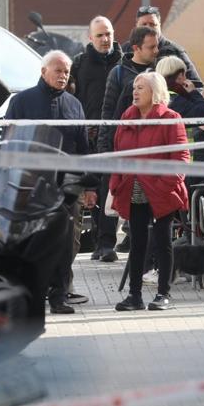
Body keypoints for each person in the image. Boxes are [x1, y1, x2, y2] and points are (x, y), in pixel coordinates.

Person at [5, 50, 99, 314]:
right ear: (43, 71)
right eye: (58, 70)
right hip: (32, 183)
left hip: (67, 185)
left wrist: (89, 186)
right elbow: (9, 142)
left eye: (67, 71)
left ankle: (59, 295)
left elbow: (83, 147)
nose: (64, 75)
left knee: (65, 242)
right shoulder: (22, 101)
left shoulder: (74, 104)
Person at [110, 72, 189, 313]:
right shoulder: (127, 117)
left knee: (163, 242)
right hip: (133, 189)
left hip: (163, 191)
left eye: (141, 88)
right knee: (137, 243)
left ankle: (163, 293)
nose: (135, 91)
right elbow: (117, 154)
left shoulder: (171, 118)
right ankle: (134, 295)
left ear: (154, 93)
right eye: (134, 87)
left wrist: (164, 187)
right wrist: (117, 183)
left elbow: (181, 159)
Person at [99, 26, 160, 254]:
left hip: (151, 147)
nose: (156, 51)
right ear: (136, 48)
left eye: (157, 46)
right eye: (151, 47)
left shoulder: (160, 71)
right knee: (112, 190)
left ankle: (138, 244)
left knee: (141, 200)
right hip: (123, 144)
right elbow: (108, 112)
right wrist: (105, 147)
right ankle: (105, 245)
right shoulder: (118, 73)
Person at [70, 16, 123, 261]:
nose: (105, 39)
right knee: (91, 189)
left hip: (117, 136)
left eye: (108, 34)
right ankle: (91, 243)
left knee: (110, 187)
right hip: (89, 136)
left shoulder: (124, 63)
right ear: (90, 38)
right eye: (100, 35)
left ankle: (107, 244)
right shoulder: (79, 65)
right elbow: (72, 98)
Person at [134, 5, 203, 89]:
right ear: (136, 25)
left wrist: (176, 101)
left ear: (159, 25)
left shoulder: (176, 51)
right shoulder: (125, 51)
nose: (148, 28)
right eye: (144, 24)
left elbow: (197, 86)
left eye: (152, 24)